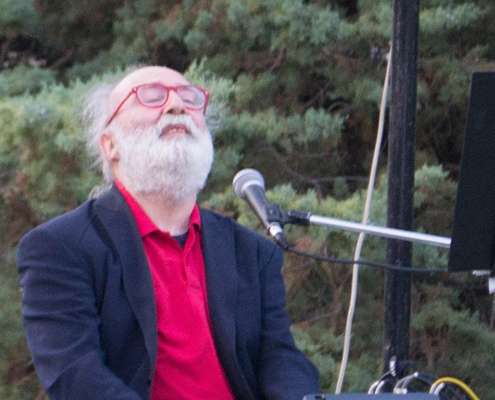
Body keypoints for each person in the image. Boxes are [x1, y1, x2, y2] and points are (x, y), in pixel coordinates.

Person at [17, 66, 321, 399]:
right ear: (110, 145)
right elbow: (76, 377)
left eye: (190, 98)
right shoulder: (60, 247)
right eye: (151, 97)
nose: (176, 105)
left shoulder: (253, 252)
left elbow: (281, 361)